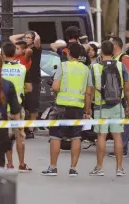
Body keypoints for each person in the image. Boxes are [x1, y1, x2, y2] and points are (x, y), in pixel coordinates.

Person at [41, 43, 93, 176]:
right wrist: (87, 111)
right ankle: (73, 168)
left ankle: (53, 167)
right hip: (78, 107)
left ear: (68, 52)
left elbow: (56, 87)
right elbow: (88, 93)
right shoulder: (86, 69)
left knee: (55, 137)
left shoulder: (62, 66)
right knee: (76, 137)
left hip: (61, 106)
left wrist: (58, 93)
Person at [89, 41, 129, 177]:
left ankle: (99, 167)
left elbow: (89, 91)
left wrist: (87, 109)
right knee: (117, 136)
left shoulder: (94, 67)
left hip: (100, 105)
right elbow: (127, 88)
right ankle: (119, 168)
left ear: (101, 52)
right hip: (117, 105)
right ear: (113, 52)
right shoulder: (120, 66)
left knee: (101, 136)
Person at [0, 42, 33, 172]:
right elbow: (29, 88)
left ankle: (9, 164)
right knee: (19, 137)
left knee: (7, 138)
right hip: (18, 108)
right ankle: (22, 164)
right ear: (15, 54)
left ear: (2, 53)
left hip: (2, 107)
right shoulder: (23, 68)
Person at [9, 31, 42, 139]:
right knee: (23, 105)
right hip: (21, 81)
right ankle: (22, 127)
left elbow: (36, 41)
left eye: (29, 38)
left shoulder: (33, 50)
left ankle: (31, 130)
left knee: (33, 106)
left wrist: (35, 33)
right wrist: (22, 36)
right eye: (25, 37)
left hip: (33, 79)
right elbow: (12, 37)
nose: (26, 39)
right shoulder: (20, 50)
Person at [108, 36, 129, 157]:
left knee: (123, 123)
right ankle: (120, 147)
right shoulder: (115, 58)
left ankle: (122, 148)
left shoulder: (125, 59)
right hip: (115, 95)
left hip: (122, 96)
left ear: (115, 46)